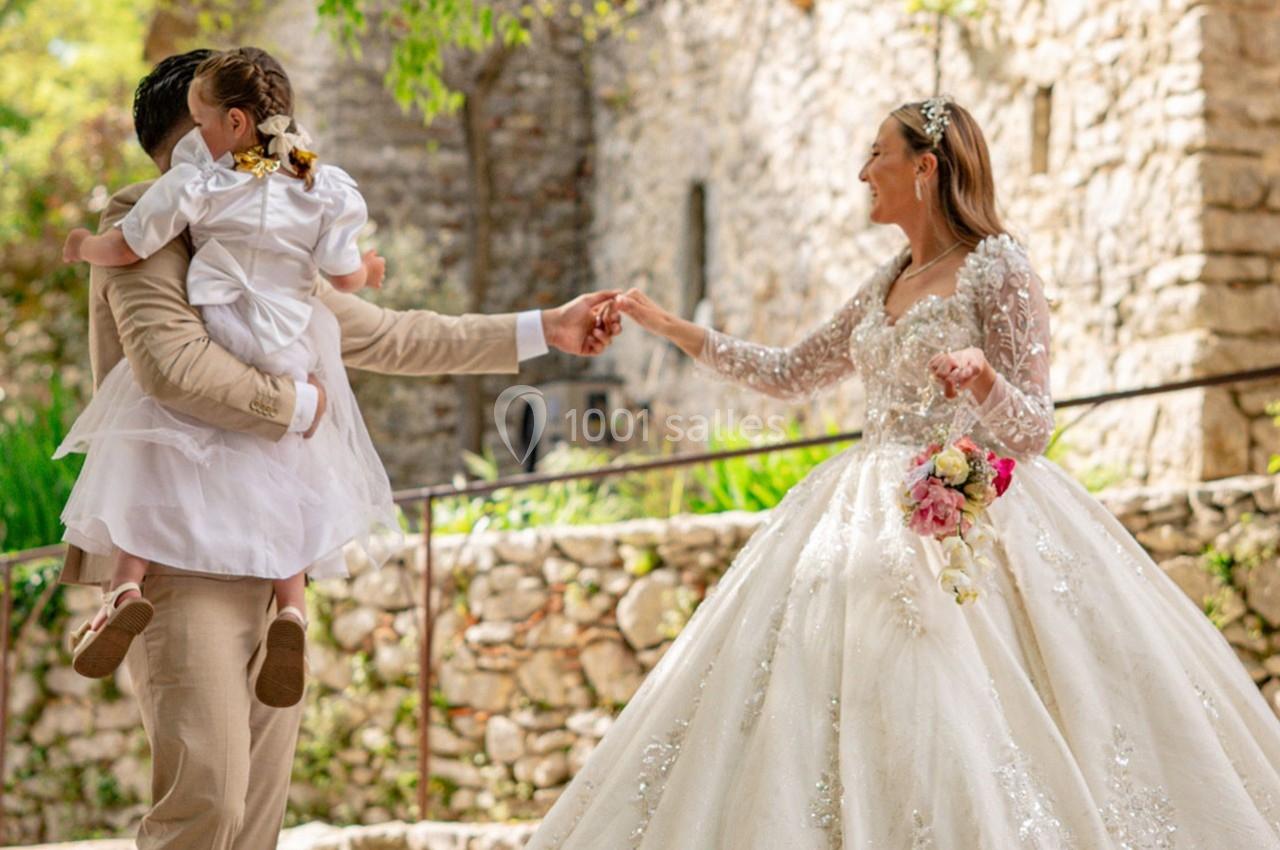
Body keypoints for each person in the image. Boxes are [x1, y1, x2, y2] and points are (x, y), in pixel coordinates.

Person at [527, 97, 1280, 848]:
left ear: (925, 168)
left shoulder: (1000, 267)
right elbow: (791, 372)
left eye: (876, 154)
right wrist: (669, 327)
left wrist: (983, 378)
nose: (863, 172)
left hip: (967, 513)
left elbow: (1034, 431)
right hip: (856, 514)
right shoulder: (887, 277)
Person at [54, 48, 619, 849]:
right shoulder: (143, 213)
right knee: (206, 800)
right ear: (201, 130)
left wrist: (545, 328)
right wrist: (300, 404)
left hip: (270, 541)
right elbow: (172, 367)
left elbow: (387, 332)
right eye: (237, 123)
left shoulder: (267, 219)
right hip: (176, 553)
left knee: (253, 817)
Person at [58, 46, 399, 709]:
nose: (202, 137)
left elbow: (132, 245)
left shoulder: (205, 185)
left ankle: (125, 587)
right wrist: (369, 273)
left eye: (203, 120)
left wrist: (85, 249)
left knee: (146, 439)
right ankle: (293, 610)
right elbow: (346, 275)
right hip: (289, 341)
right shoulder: (316, 184)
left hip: (221, 323)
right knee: (291, 464)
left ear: (234, 124)